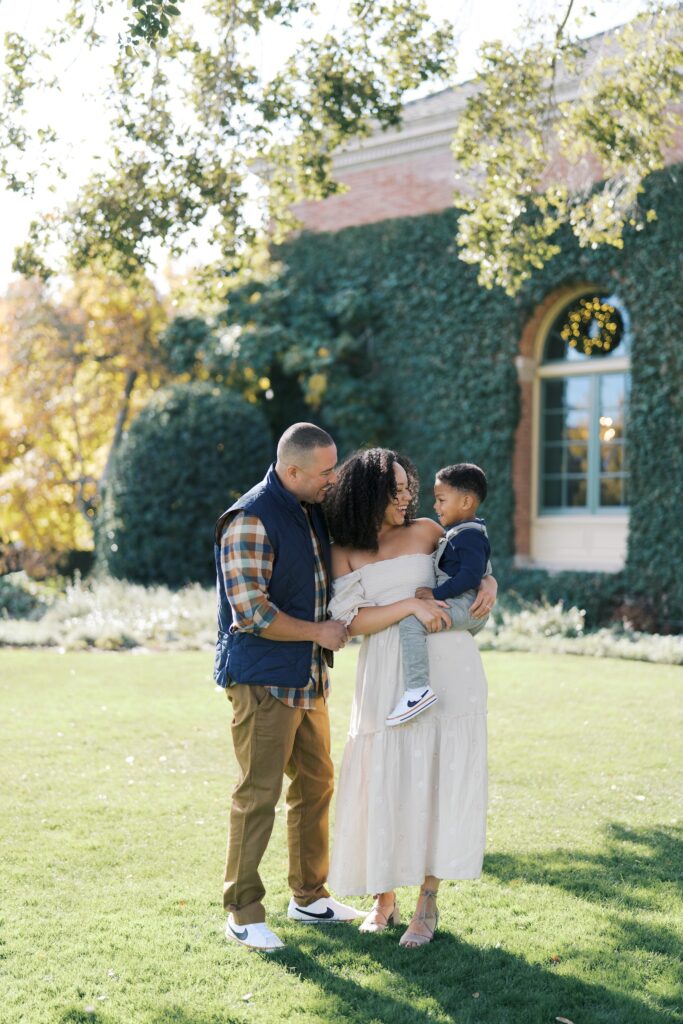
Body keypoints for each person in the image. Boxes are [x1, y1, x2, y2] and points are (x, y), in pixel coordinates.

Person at [324, 448, 495, 947]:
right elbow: (348, 623)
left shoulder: (427, 530)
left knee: (437, 780)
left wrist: (490, 580)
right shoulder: (346, 550)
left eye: (407, 488)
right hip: (385, 675)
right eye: (394, 489)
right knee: (385, 779)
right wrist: (406, 607)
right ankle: (384, 896)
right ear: (367, 493)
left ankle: (427, 900)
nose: (406, 497)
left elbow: (471, 558)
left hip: (448, 670)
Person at [213, 422, 364, 951]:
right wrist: (320, 632)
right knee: (258, 795)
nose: (334, 479)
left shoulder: (312, 506)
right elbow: (250, 612)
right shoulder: (251, 517)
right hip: (263, 681)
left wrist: (477, 569)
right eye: (326, 471)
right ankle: (243, 910)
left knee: (317, 784)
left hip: (308, 678)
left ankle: (308, 896)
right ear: (292, 470)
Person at [386, 462, 492, 727]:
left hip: (465, 604)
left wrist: (435, 594)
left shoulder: (468, 535)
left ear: (466, 501)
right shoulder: (463, 532)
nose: (435, 506)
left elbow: (470, 576)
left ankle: (417, 690)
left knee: (411, 622)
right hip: (466, 605)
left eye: (441, 500)